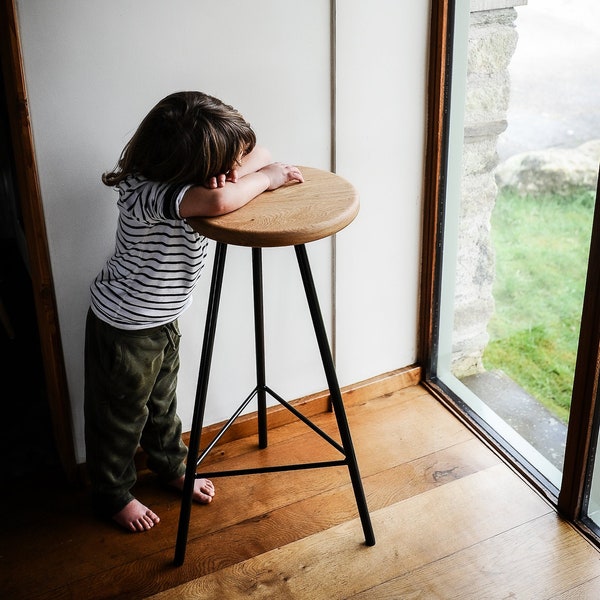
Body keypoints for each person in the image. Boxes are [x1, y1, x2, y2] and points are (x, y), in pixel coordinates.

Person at [84, 91, 304, 533]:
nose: (229, 172)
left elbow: (261, 151)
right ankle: (112, 493)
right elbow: (223, 201)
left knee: (163, 403)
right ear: (187, 167)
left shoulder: (186, 182)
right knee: (121, 417)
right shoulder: (144, 192)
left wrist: (237, 169)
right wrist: (268, 178)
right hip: (125, 327)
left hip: (161, 319)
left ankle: (170, 466)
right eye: (219, 165)